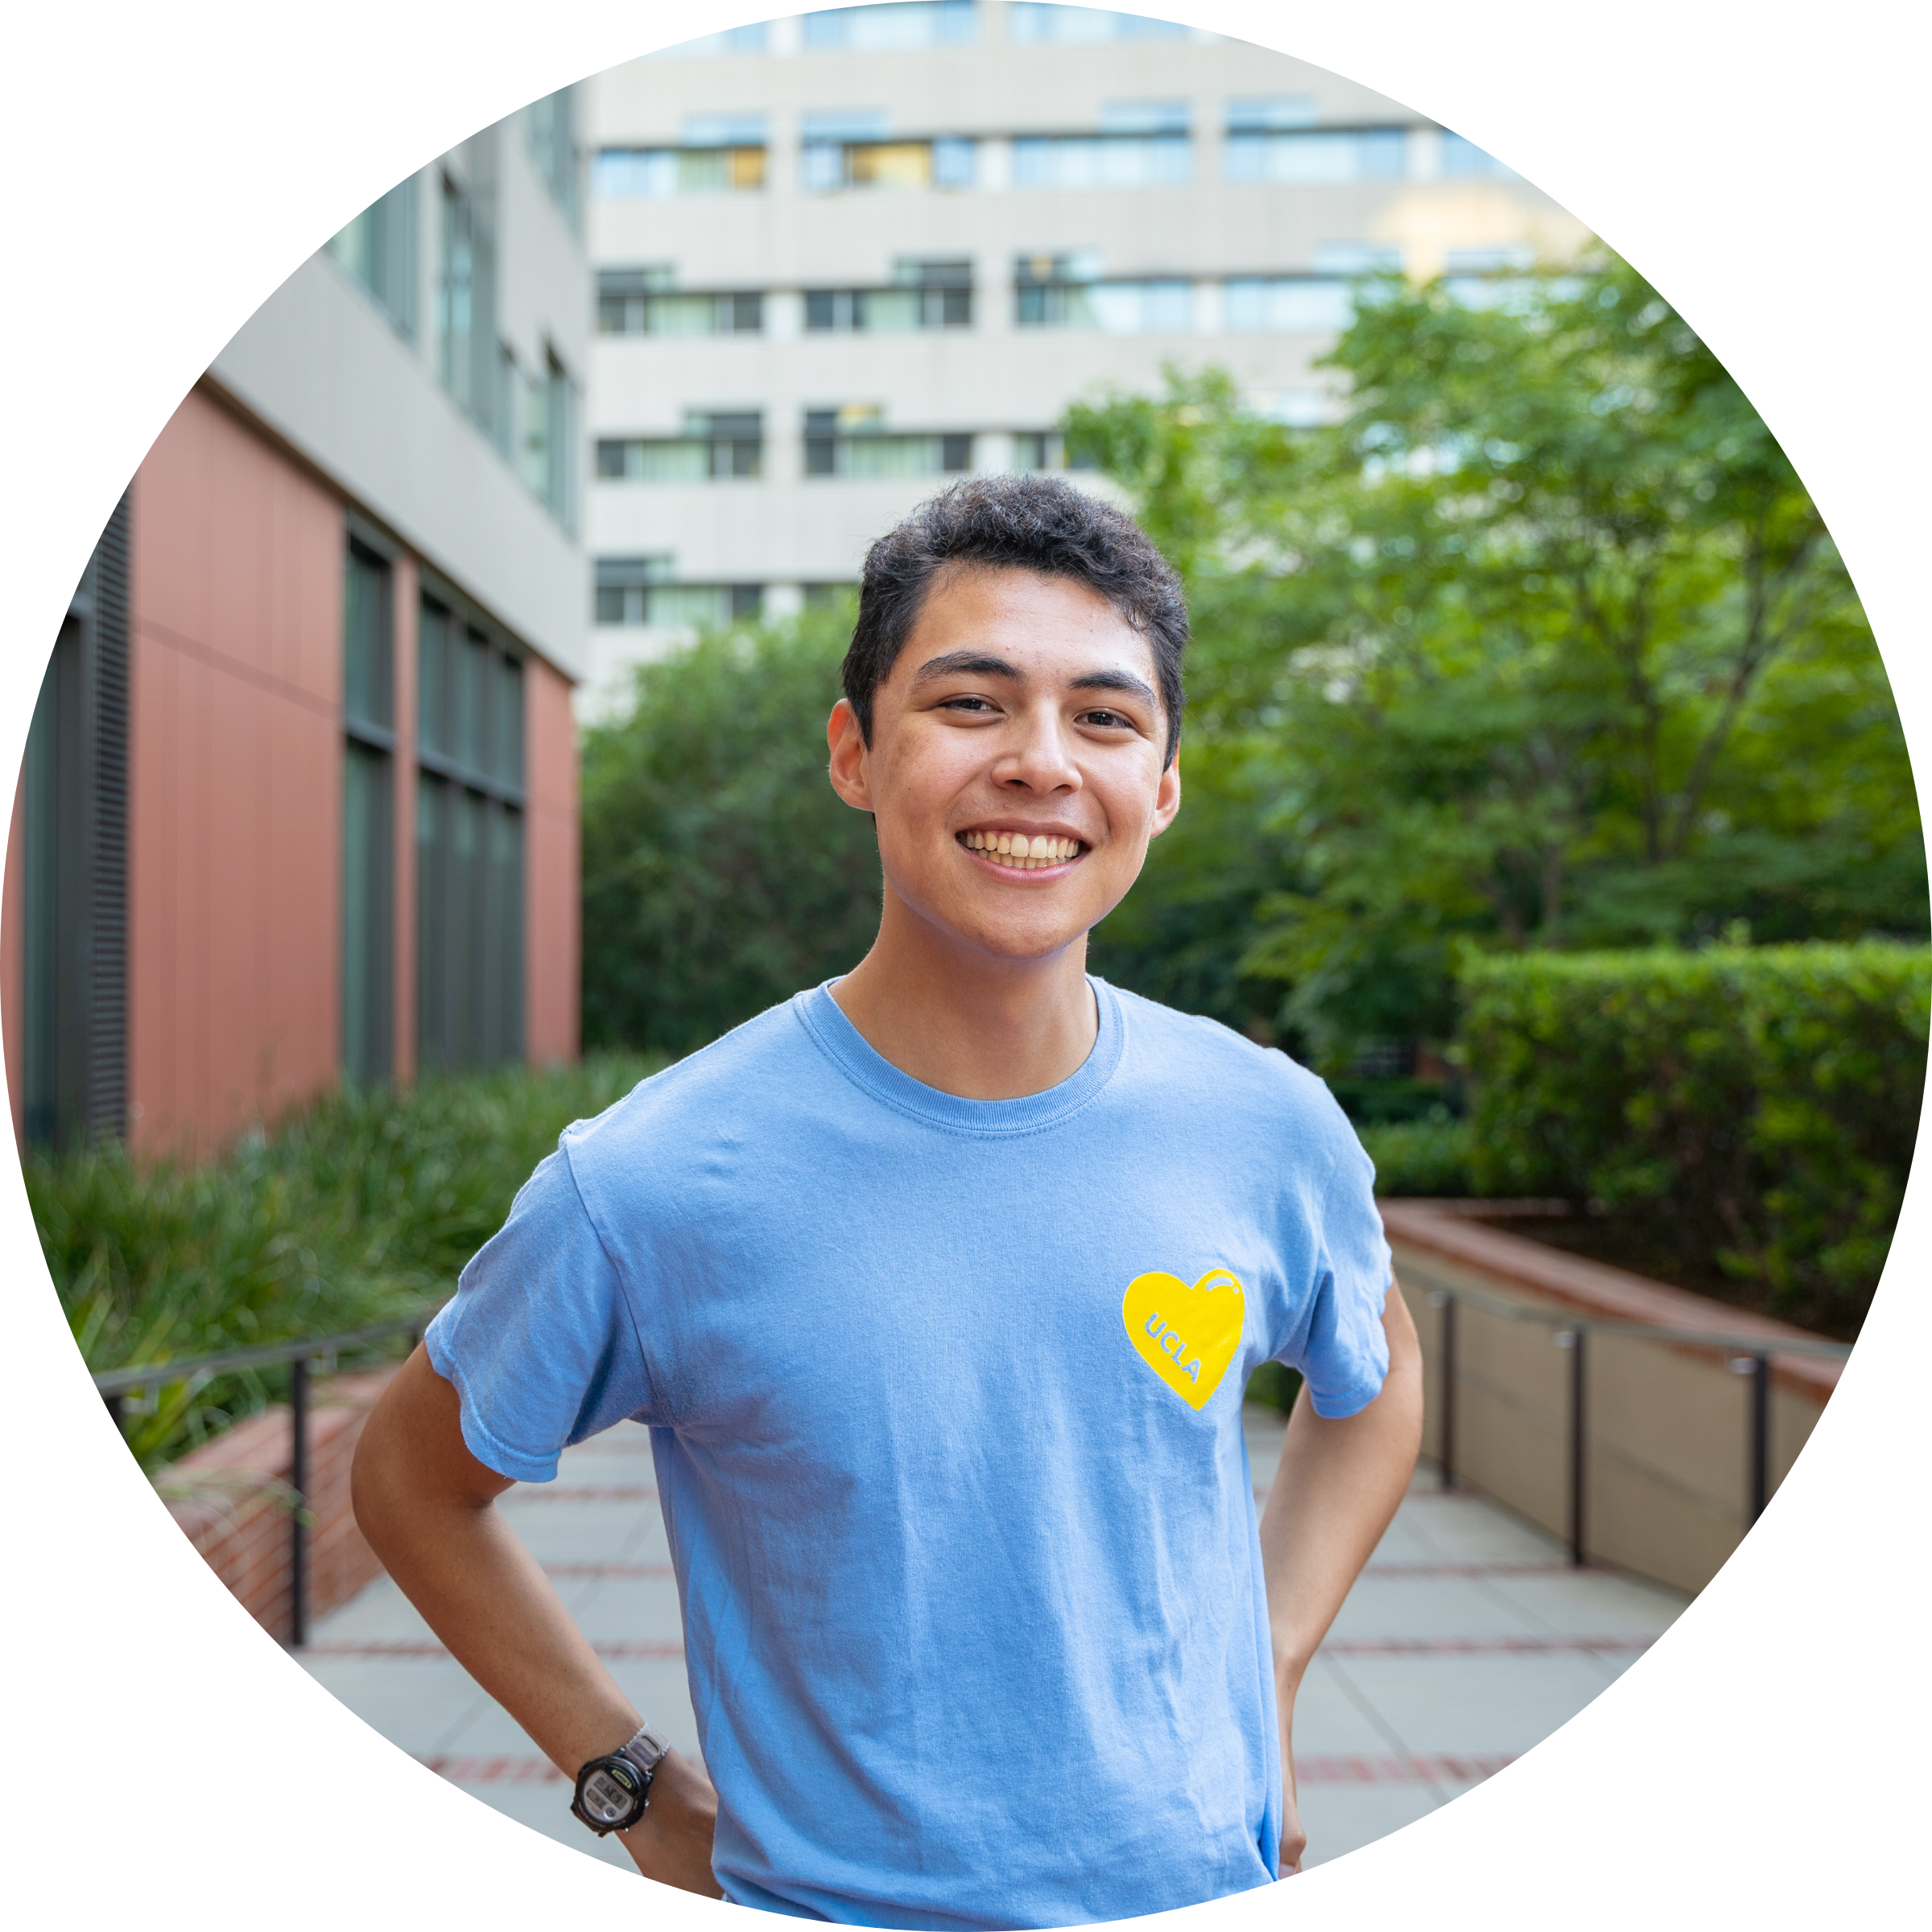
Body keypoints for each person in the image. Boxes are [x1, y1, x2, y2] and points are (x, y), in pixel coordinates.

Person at [352, 475, 1424, 1925]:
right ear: (856, 752)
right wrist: (629, 1784)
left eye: (1104, 718)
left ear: (1161, 784)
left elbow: (1379, 1369)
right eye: (972, 704)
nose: (1043, 763)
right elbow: (411, 1480)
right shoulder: (653, 1180)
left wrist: (1274, 1666)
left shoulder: (1267, 1125)